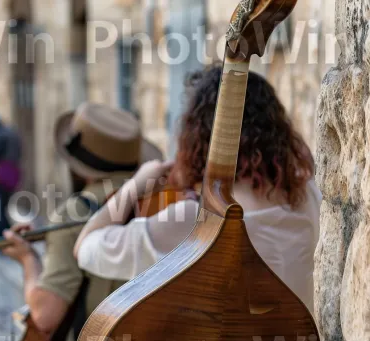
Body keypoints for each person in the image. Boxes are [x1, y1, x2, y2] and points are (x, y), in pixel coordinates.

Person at [74, 66, 320, 315]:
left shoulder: (198, 221)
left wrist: (134, 186)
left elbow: (86, 249)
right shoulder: (310, 195)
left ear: (199, 138)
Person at [0, 103, 163, 341]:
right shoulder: (168, 204)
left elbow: (45, 315)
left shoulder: (76, 212)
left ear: (78, 166)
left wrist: (28, 260)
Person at [0, 114, 22, 237]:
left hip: (4, 174)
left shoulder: (1, 135)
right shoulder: (12, 133)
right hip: (13, 174)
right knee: (0, 208)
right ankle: (9, 235)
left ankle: (3, 237)